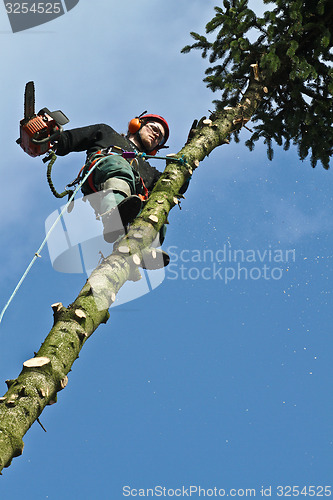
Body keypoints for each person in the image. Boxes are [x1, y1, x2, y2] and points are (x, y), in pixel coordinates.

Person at [54, 114, 169, 247]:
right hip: (105, 173)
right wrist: (49, 137)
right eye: (154, 128)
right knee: (120, 165)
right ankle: (113, 217)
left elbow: (173, 184)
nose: (156, 135)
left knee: (157, 204)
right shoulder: (106, 133)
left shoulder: (151, 172)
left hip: (131, 202)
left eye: (160, 138)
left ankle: (142, 246)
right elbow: (66, 140)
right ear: (137, 124)